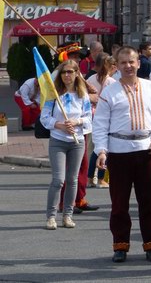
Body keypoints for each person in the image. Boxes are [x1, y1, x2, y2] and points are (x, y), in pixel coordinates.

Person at [94, 46, 151, 263]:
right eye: (123, 62)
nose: (128, 66)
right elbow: (100, 124)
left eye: (132, 62)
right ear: (116, 66)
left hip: (145, 150)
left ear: (138, 63)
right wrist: (101, 150)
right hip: (119, 151)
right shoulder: (109, 92)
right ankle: (120, 246)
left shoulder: (150, 87)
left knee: (148, 202)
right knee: (119, 204)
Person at [41, 60, 92, 230]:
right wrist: (59, 125)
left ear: (77, 73)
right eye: (63, 72)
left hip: (76, 142)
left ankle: (67, 215)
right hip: (58, 141)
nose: (67, 75)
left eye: (70, 71)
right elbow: (45, 118)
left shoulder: (82, 94)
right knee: (59, 180)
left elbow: (88, 118)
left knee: (72, 179)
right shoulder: (53, 94)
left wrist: (77, 122)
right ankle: (51, 216)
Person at [86, 53, 117, 188]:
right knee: (105, 148)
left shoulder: (90, 79)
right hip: (106, 116)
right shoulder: (112, 82)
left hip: (91, 115)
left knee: (94, 149)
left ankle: (88, 177)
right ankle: (101, 179)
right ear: (110, 66)